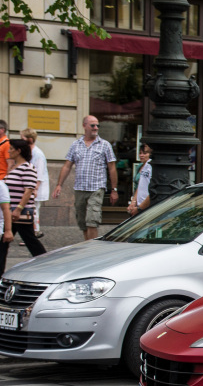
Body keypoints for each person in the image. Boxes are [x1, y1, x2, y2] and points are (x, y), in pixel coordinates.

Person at [53, 115, 118, 240]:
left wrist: (114, 189)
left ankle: (91, 251)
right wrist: (59, 184)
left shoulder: (105, 145)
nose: (95, 128)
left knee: (92, 221)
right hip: (80, 188)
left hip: (96, 188)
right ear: (84, 126)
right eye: (92, 125)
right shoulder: (75, 145)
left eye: (97, 125)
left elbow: (112, 168)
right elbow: (67, 166)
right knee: (82, 222)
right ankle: (87, 245)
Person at [1, 139, 46, 274]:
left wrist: (18, 208)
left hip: (19, 213)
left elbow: (29, 190)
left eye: (11, 148)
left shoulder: (28, 168)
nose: (8, 151)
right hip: (10, 213)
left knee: (31, 242)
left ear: (18, 151)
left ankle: (47, 264)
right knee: (4, 243)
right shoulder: (14, 167)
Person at [20, 129, 49, 237]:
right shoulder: (29, 152)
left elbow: (40, 173)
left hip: (36, 187)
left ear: (30, 140)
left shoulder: (38, 154)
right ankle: (31, 232)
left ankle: (34, 232)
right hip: (31, 186)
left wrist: (35, 189)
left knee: (34, 210)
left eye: (23, 138)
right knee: (31, 210)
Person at [127, 144, 152, 216]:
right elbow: (140, 185)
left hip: (147, 206)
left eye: (145, 153)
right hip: (139, 204)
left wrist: (140, 208)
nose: (141, 155)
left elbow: (153, 191)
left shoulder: (151, 165)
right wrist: (133, 202)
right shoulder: (143, 165)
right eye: (140, 153)